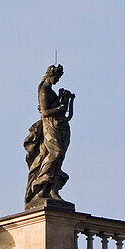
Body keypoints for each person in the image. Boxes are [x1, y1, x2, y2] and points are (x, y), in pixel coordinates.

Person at [24, 64, 75, 204]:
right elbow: (45, 112)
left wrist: (66, 102)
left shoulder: (50, 90)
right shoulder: (44, 91)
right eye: (56, 77)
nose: (57, 80)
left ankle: (51, 190)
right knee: (55, 153)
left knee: (59, 158)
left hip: (59, 126)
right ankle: (40, 181)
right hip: (49, 126)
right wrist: (60, 108)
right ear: (50, 75)